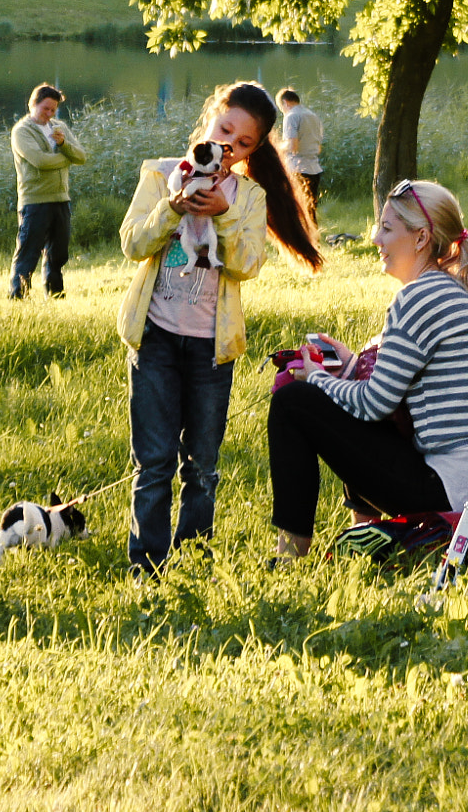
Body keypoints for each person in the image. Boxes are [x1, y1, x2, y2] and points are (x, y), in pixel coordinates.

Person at [118, 81, 323, 574]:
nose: (229, 146)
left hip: (212, 345)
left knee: (203, 466)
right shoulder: (161, 173)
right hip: (156, 336)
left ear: (253, 151)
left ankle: (193, 563)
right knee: (154, 462)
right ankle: (146, 564)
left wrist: (225, 215)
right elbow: (131, 243)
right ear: (211, 118)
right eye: (225, 129)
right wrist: (173, 206)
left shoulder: (247, 196)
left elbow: (247, 264)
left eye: (244, 144)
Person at [266, 180, 468, 559]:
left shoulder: (418, 296)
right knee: (346, 403)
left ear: (421, 237)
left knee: (295, 402)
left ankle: (290, 555)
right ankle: (367, 532)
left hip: (456, 494)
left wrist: (318, 378)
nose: (376, 239)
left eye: (387, 228)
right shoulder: (459, 290)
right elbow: (406, 385)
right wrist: (354, 366)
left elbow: (375, 403)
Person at [8, 83, 88, 299]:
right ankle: (18, 296)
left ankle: (55, 294)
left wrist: (64, 146)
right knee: (28, 252)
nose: (49, 114)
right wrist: (66, 159)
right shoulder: (21, 131)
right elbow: (40, 161)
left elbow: (81, 156)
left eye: (53, 109)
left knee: (58, 253)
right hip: (34, 201)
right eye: (45, 108)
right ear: (32, 104)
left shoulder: (58, 127)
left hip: (61, 198)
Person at [275, 88, 325, 215]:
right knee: (310, 210)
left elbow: (292, 146)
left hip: (297, 169)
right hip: (314, 169)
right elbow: (318, 148)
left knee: (295, 210)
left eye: (281, 108)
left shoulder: (291, 116)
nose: (283, 112)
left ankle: (296, 235)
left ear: (285, 103)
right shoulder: (313, 116)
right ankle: (313, 235)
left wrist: (276, 147)